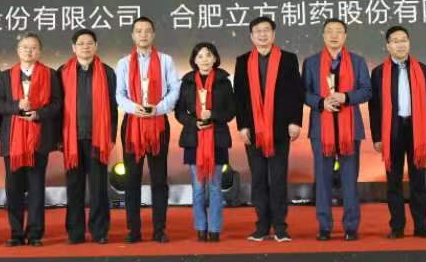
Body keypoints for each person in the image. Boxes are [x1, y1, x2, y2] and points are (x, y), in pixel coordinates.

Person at [233, 16, 304, 243]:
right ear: (251, 36)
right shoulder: (243, 61)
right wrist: (242, 125)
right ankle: (262, 226)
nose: (262, 35)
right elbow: (240, 97)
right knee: (259, 179)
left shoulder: (288, 59)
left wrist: (295, 121)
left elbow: (296, 92)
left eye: (266, 30)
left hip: (280, 128)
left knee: (279, 178)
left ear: (273, 34)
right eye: (258, 31)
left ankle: (281, 227)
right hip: (253, 130)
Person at [0, 33, 64, 247]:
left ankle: (35, 233)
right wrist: (17, 106)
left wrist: (38, 113)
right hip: (12, 141)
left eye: (33, 48)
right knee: (13, 189)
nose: (29, 51)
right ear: (18, 51)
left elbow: (57, 104)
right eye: (25, 47)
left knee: (36, 188)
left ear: (39, 51)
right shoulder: (5, 76)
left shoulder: (50, 75)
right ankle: (16, 233)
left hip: (39, 140)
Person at [301, 19, 371, 241]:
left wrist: (346, 97)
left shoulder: (358, 61)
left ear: (345, 36)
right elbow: (304, 93)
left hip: (350, 129)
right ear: (323, 36)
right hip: (321, 130)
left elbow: (367, 91)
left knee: (350, 180)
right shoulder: (311, 62)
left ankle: (351, 227)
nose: (334, 35)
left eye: (339, 31)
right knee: (322, 180)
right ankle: (324, 227)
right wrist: (321, 102)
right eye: (329, 31)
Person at [368, 25, 426, 240]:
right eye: (395, 41)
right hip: (392, 130)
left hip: (417, 130)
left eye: (404, 40)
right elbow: (374, 108)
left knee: (418, 180)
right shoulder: (379, 72)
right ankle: (397, 227)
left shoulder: (421, 69)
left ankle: (421, 226)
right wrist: (377, 137)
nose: (400, 44)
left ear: (409, 43)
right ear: (388, 46)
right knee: (394, 181)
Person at [115, 16, 181, 243]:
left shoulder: (166, 61)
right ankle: (133, 230)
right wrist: (135, 108)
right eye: (138, 31)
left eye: (147, 31)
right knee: (131, 179)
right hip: (132, 124)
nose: (143, 35)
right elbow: (119, 94)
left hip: (158, 122)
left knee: (159, 178)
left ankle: (159, 230)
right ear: (133, 35)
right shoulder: (124, 63)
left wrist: (158, 108)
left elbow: (174, 89)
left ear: (153, 35)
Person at [57, 29, 118, 244]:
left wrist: (111, 135)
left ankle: (99, 231)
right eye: (81, 43)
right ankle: (75, 232)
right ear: (73, 47)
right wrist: (58, 138)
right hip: (71, 138)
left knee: (98, 187)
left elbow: (113, 107)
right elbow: (57, 107)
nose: (85, 46)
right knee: (74, 186)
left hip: (98, 138)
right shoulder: (62, 72)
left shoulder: (107, 72)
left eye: (89, 43)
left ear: (96, 46)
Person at [175, 42, 235, 243]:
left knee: (216, 187)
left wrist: (213, 115)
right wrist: (194, 122)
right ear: (194, 60)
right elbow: (179, 112)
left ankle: (215, 228)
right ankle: (201, 227)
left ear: (215, 58)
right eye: (200, 56)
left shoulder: (223, 82)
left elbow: (231, 111)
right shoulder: (187, 82)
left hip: (217, 139)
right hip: (194, 140)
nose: (205, 60)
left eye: (208, 55)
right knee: (198, 187)